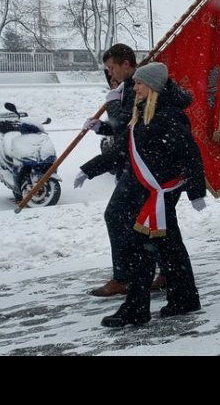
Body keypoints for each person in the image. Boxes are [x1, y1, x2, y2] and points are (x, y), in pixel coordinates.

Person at [78, 63, 207, 327]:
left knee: (140, 248)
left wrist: (196, 192)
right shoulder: (143, 111)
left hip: (160, 194)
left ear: (152, 86)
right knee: (169, 248)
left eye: (138, 83)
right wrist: (88, 169)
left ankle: (137, 309)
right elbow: (123, 149)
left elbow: (190, 154)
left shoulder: (170, 115)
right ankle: (184, 298)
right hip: (149, 192)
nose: (134, 87)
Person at [76, 44, 167, 297]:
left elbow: (128, 125)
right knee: (141, 221)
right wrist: (101, 128)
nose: (110, 73)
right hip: (131, 165)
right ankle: (162, 269)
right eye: (108, 69)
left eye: (113, 67)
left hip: (142, 168)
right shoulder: (127, 87)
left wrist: (112, 106)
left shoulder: (140, 86)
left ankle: (125, 276)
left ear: (127, 64)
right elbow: (122, 127)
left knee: (118, 216)